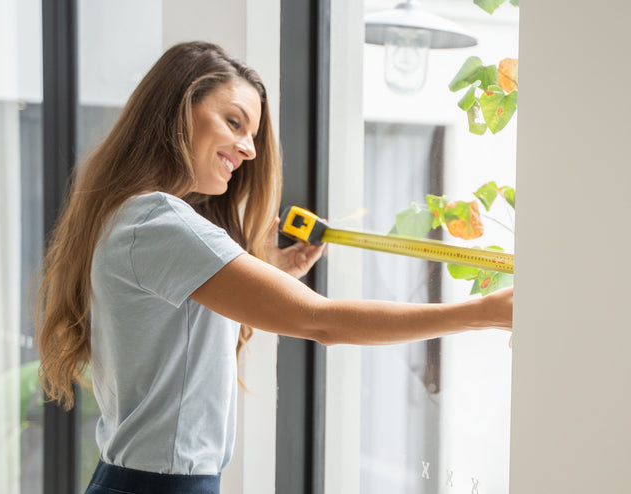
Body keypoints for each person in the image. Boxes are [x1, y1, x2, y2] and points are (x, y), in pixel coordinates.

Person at [36, 41, 512, 493]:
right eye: (234, 122)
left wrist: (271, 276)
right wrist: (481, 312)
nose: (250, 150)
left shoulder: (133, 217)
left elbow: (172, 343)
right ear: (179, 109)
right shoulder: (159, 221)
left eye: (253, 134)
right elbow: (320, 321)